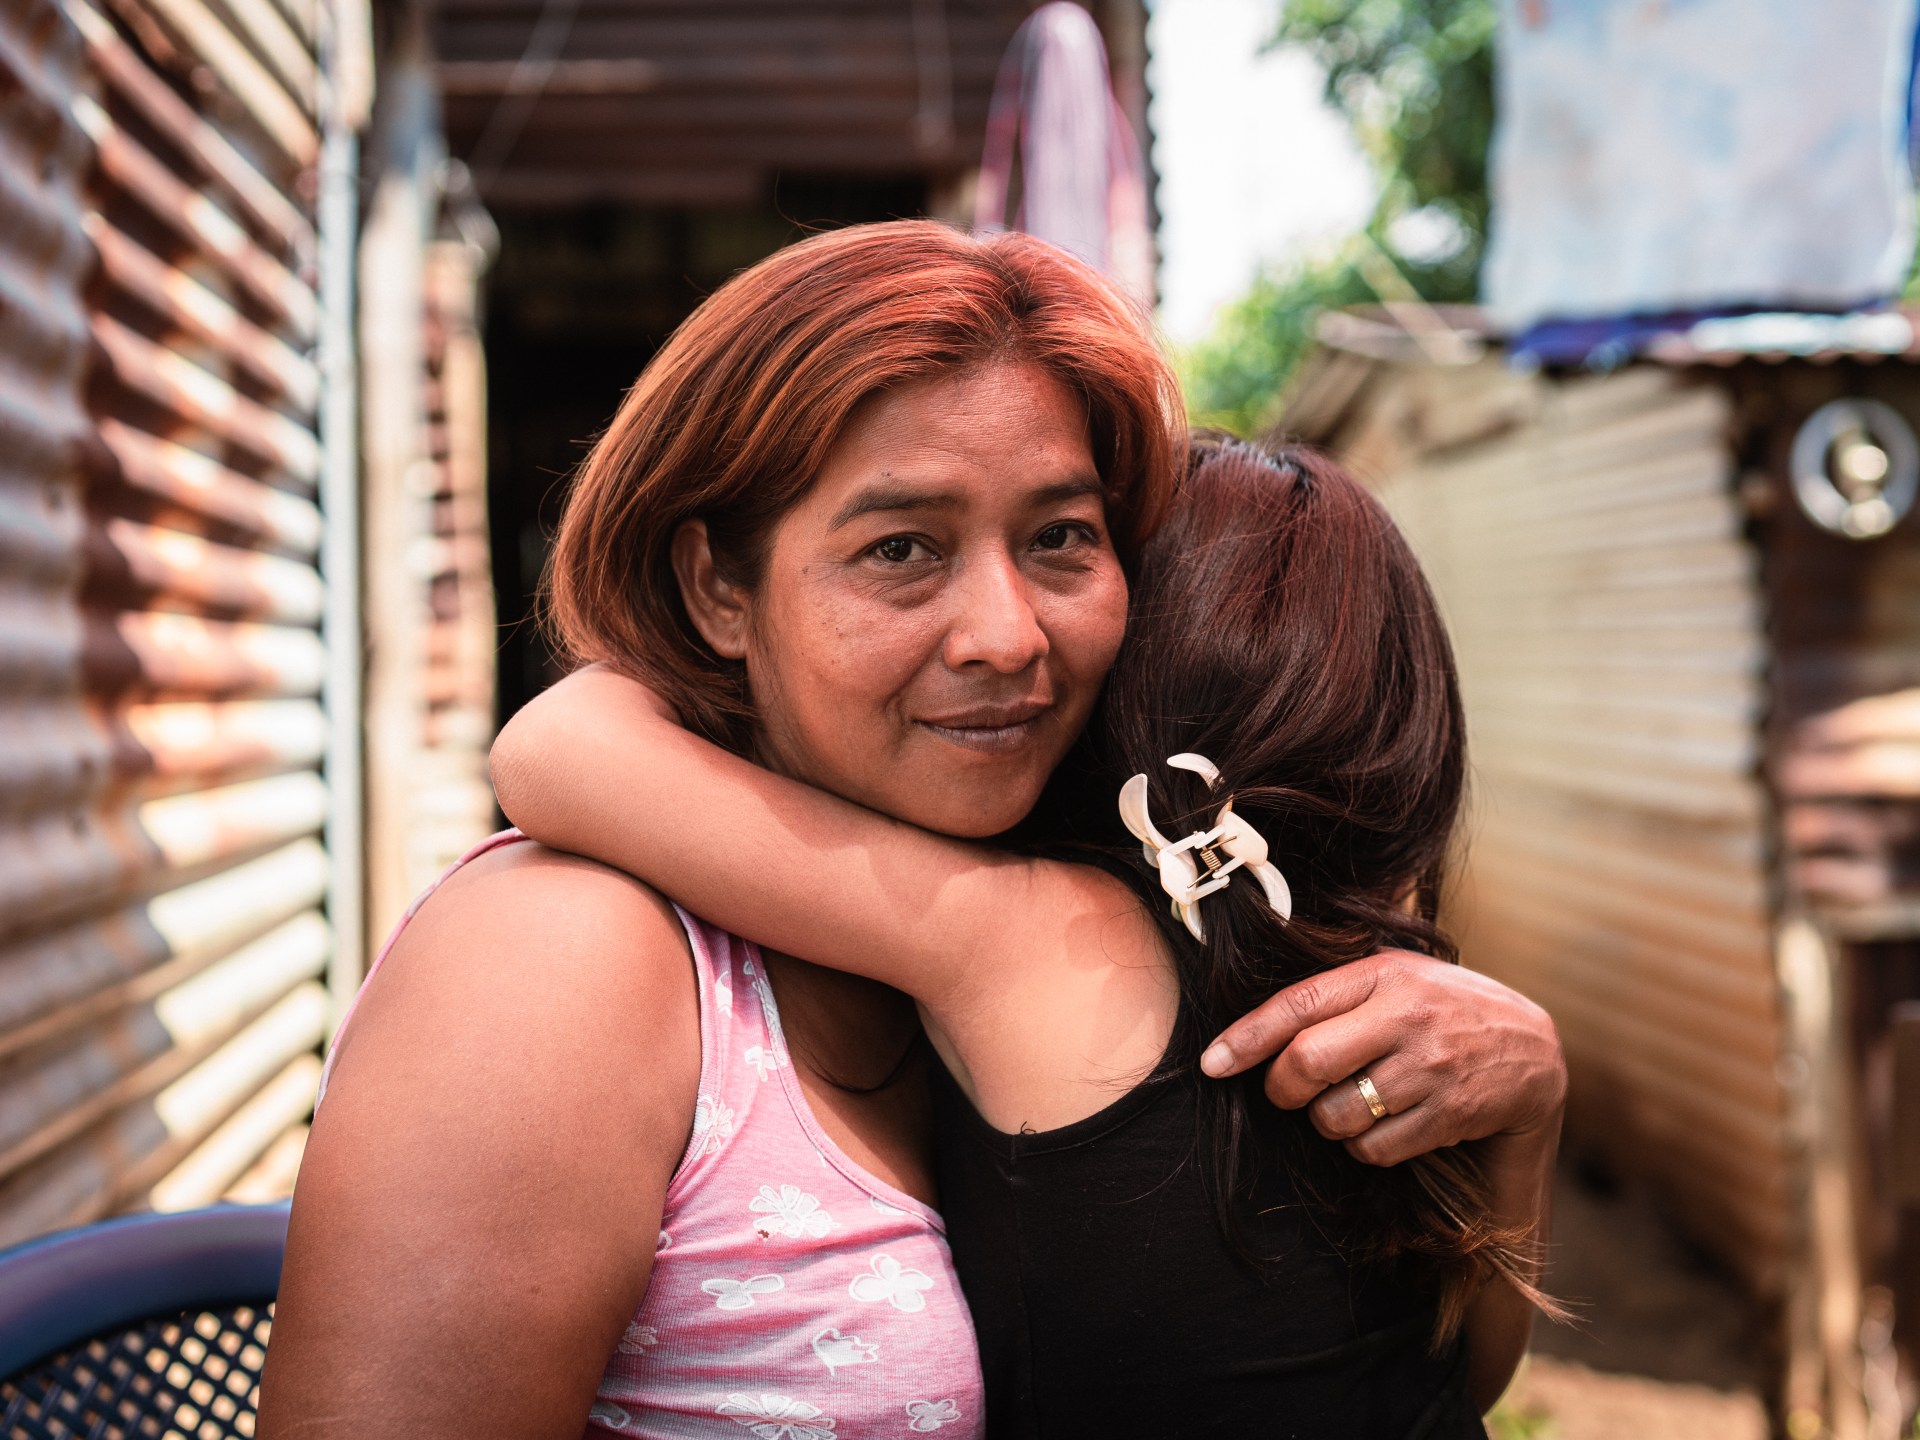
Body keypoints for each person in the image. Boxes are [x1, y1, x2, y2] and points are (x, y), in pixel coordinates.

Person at [257, 221, 1564, 1440]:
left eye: (1061, 537)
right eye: (900, 550)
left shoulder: (1082, 927)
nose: (1008, 636)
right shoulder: (564, 961)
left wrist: (1518, 1108)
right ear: (717, 586)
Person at [492, 435, 1565, 1436]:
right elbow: (1454, 1381)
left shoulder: (1031, 943)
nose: (1016, 631)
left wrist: (733, 610)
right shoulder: (1423, 1008)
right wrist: (1534, 1117)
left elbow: (555, 749)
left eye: (1061, 549)